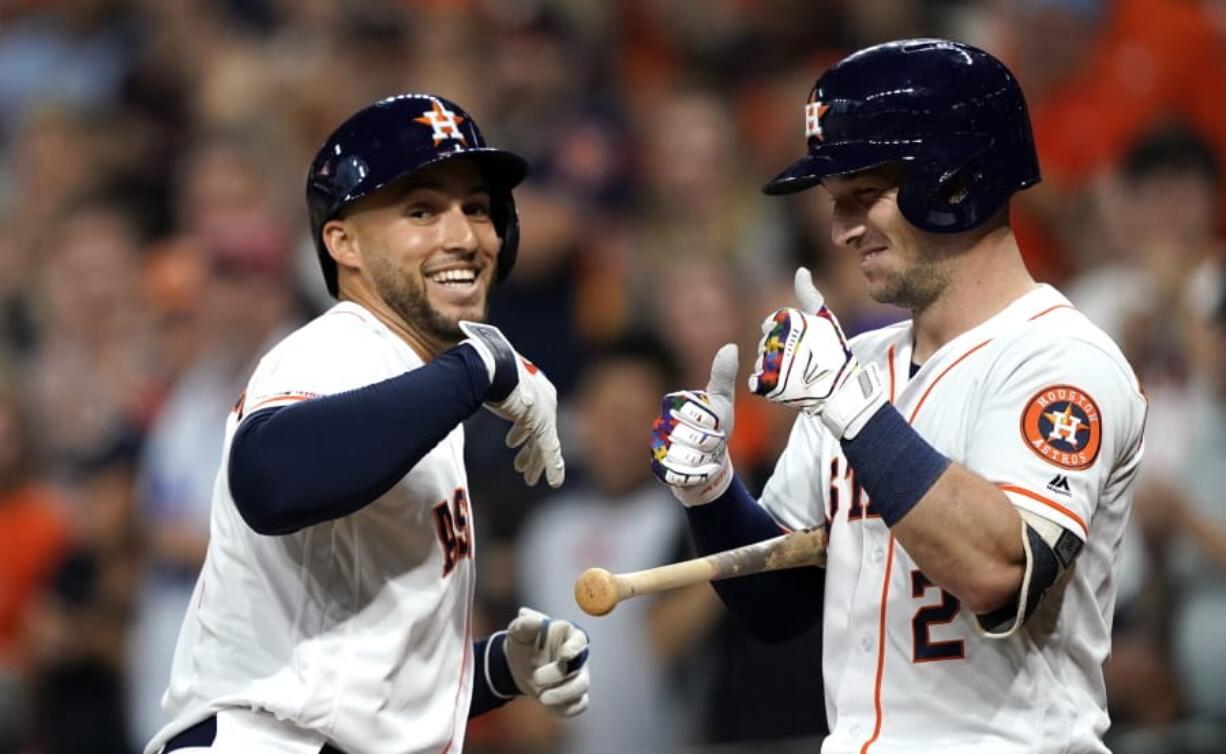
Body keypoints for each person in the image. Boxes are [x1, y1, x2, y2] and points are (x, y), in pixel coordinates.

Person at [649, 40, 1147, 753]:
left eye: (864, 197)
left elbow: (997, 572)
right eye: (834, 204)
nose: (841, 230)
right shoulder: (857, 368)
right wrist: (714, 495)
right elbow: (779, 604)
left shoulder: (1061, 360)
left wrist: (849, 408)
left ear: (954, 181)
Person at [145, 93, 590, 754]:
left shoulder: (413, 391)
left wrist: (491, 671)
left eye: (476, 208)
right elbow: (268, 478)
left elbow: (344, 667)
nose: (464, 235)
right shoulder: (342, 346)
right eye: (421, 210)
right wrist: (477, 368)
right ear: (343, 241)